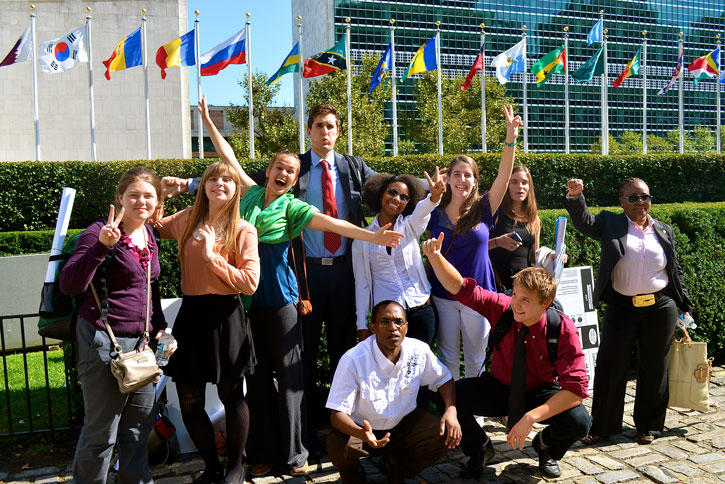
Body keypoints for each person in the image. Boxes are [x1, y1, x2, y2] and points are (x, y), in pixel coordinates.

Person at [188, 96, 403, 477]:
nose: (284, 174)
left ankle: (295, 454)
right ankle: (261, 452)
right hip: (248, 302)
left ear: (294, 178)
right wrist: (207, 120)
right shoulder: (249, 194)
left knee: (290, 378)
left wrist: (373, 238)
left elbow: (336, 226)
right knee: (256, 380)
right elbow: (229, 157)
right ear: (268, 171)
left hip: (283, 298)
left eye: (290, 170)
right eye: (279, 168)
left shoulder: (293, 208)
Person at [424, 235, 591, 478]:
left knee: (579, 421)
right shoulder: (504, 308)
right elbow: (461, 288)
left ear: (545, 303)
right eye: (514, 295)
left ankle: (546, 447)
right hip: (499, 386)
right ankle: (479, 447)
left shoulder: (562, 328)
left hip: (540, 391)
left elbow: (576, 389)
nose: (516, 304)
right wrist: (435, 257)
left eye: (525, 300)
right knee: (446, 398)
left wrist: (531, 417)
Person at [565, 177, 693, 446]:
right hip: (622, 306)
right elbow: (585, 222)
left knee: (655, 367)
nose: (640, 202)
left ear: (650, 200)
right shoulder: (611, 223)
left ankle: (649, 425)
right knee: (611, 365)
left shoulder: (663, 230)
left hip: (660, 306)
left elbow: (674, 270)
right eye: (632, 197)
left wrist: (684, 305)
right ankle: (603, 426)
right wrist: (577, 198)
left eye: (644, 196)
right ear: (621, 200)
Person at [60, 167, 168, 484]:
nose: (141, 201)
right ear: (120, 198)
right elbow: (70, 283)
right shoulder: (98, 232)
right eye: (133, 195)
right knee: (102, 430)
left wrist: (163, 331)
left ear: (157, 201)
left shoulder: (149, 236)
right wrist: (102, 247)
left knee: (139, 426)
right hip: (102, 342)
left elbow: (151, 290)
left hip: (144, 346)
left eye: (149, 195)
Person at [156, 160, 260, 484]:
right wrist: (161, 193)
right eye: (212, 179)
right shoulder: (188, 218)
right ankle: (211, 465)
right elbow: (156, 225)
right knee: (188, 399)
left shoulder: (243, 229)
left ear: (235, 191)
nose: (219, 184)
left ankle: (234, 467)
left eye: (227, 180)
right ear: (203, 186)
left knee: (232, 395)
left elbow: (250, 282)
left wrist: (214, 259)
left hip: (226, 317)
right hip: (191, 316)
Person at [426, 105, 522, 379]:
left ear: (475, 181)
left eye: (468, 175)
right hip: (443, 295)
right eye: (457, 174)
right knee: (447, 359)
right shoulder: (433, 211)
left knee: (477, 357)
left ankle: (474, 415)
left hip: (478, 295)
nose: (462, 179)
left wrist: (510, 138)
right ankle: (455, 412)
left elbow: (504, 176)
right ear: (448, 178)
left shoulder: (484, 208)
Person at [326, 300, 461, 484]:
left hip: (403, 424)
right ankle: (354, 475)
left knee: (446, 433)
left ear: (406, 326)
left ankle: (396, 466)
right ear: (373, 328)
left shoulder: (418, 350)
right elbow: (336, 414)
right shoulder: (353, 359)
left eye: (399, 322)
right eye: (385, 322)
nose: (393, 328)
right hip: (363, 429)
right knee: (338, 446)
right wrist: (360, 432)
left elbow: (444, 379)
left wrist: (451, 410)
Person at [352, 168, 446, 347]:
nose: (397, 199)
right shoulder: (362, 238)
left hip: (421, 311)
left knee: (421, 370)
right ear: (381, 194)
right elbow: (362, 285)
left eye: (404, 197)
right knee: (391, 370)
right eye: (392, 192)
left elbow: (423, 211)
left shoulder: (411, 226)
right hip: (388, 320)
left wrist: (433, 198)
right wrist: (362, 326)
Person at [488, 165, 540, 292]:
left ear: (529, 187)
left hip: (525, 288)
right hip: (498, 286)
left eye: (524, 183)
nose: (520, 187)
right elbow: (478, 247)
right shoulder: (496, 214)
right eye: (514, 182)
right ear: (506, 186)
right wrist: (498, 242)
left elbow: (535, 258)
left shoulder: (534, 219)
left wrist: (554, 256)